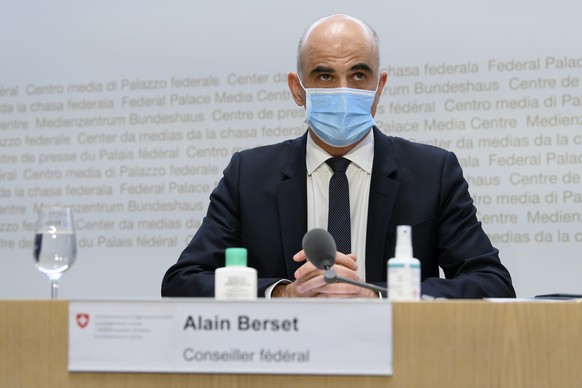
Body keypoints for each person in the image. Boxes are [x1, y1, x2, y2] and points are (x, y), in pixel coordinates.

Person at [161, 14, 515, 299]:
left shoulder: (433, 172)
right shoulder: (248, 174)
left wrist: (380, 296)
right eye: (325, 75)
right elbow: (184, 281)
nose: (343, 89)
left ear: (380, 87)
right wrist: (282, 293)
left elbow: (491, 282)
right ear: (297, 90)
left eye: (359, 75)